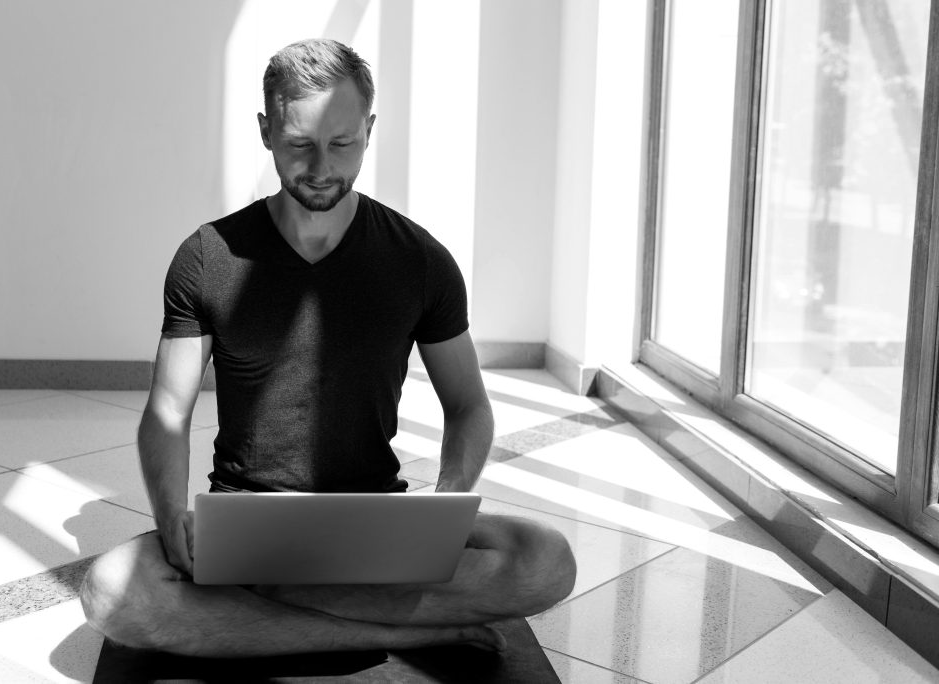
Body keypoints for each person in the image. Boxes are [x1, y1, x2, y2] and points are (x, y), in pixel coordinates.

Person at [80, 38, 576, 657]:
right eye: (299, 144)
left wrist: (445, 509)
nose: (321, 166)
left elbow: (469, 406)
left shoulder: (421, 261)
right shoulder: (207, 257)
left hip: (376, 525)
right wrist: (170, 514)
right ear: (266, 132)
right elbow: (167, 411)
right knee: (110, 592)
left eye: (342, 143)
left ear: (369, 130)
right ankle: (401, 631)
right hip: (248, 525)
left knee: (545, 560)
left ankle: (270, 609)